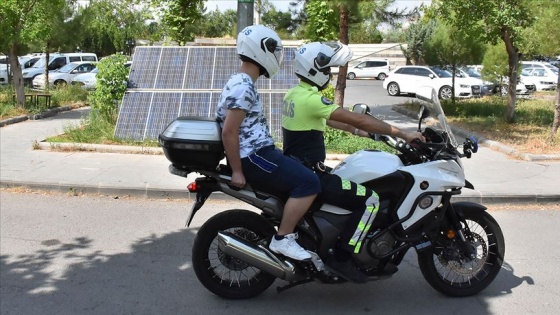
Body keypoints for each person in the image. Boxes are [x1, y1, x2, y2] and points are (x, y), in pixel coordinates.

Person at [282, 41, 425, 282]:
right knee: (370, 200)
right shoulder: (312, 100)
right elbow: (356, 119)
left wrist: (369, 133)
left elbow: (341, 122)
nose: (328, 75)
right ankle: (343, 257)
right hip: (310, 175)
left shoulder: (296, 95)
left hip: (298, 169)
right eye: (327, 70)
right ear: (315, 70)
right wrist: (402, 133)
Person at [216, 25, 321, 261]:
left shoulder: (241, 81)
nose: (277, 56)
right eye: (274, 50)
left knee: (303, 173)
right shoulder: (244, 86)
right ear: (260, 50)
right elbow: (229, 131)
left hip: (259, 152)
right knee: (309, 182)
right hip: (254, 156)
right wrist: (237, 171)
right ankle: (283, 239)